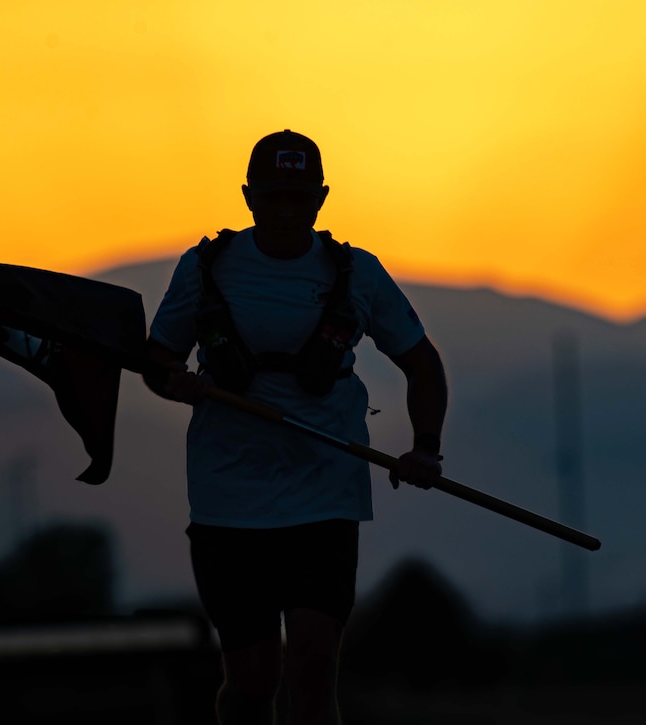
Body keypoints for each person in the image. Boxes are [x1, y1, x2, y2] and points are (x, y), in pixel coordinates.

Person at [143, 130, 448, 725]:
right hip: (228, 503)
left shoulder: (356, 273)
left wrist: (426, 449)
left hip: (325, 496)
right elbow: (158, 360)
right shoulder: (205, 268)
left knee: (312, 673)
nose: (285, 210)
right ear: (248, 196)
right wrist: (174, 382)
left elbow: (423, 365)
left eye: (299, 197)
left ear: (321, 198)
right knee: (253, 683)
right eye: (273, 196)